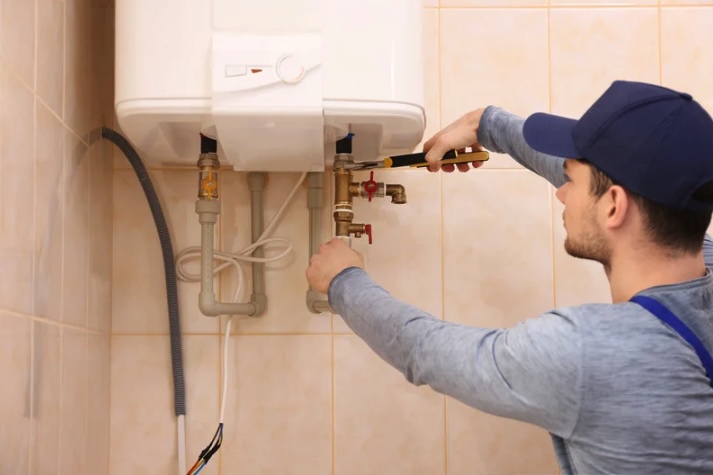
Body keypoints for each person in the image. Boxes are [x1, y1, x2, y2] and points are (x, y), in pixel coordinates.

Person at [306, 80, 713, 474]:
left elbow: (424, 351)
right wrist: (488, 125)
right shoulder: (695, 249)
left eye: (571, 180)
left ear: (613, 207)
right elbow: (621, 190)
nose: (561, 191)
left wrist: (344, 281)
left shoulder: (588, 351)